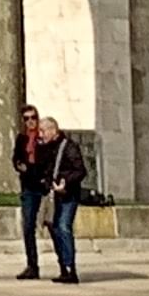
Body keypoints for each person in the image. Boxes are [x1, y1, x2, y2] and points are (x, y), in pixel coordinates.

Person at [39, 115, 92, 283]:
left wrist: (65, 182)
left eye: (43, 131)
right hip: (53, 195)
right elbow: (46, 171)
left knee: (63, 227)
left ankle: (70, 268)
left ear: (53, 130)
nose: (41, 134)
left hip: (68, 195)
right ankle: (63, 265)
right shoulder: (46, 149)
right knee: (53, 228)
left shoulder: (69, 147)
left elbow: (80, 170)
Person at [12, 104, 52, 278]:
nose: (30, 121)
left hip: (43, 187)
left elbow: (48, 160)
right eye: (26, 118)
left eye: (33, 117)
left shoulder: (43, 138)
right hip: (29, 187)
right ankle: (32, 265)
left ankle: (66, 264)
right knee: (28, 226)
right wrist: (19, 165)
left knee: (53, 225)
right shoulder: (21, 139)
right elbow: (16, 158)